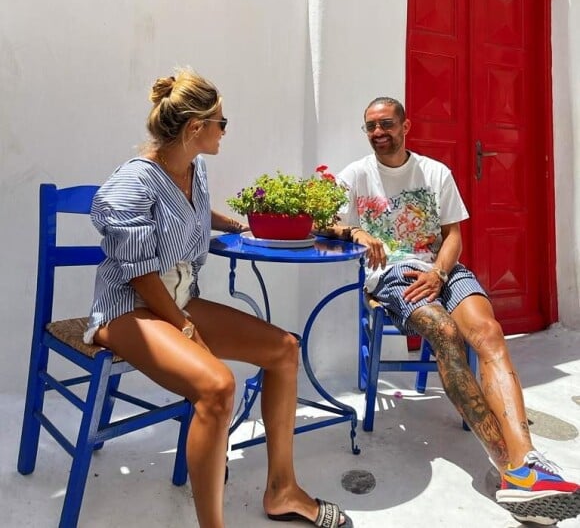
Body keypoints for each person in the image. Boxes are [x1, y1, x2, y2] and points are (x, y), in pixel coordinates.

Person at [83, 68, 353, 528]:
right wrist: (186, 329)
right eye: (221, 123)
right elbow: (142, 278)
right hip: (129, 308)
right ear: (195, 128)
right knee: (217, 385)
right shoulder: (131, 185)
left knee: (284, 349)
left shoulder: (194, 168)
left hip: (179, 301)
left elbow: (191, 210)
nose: (225, 132)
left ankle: (283, 489)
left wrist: (233, 224)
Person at [325, 96, 580, 526]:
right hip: (393, 275)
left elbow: (452, 235)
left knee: (488, 334)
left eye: (386, 124)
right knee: (444, 332)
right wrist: (355, 229)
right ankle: (512, 470)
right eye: (370, 126)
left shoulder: (434, 173)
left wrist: (440, 274)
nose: (377, 133)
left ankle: (526, 458)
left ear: (407, 126)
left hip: (443, 270)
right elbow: (326, 222)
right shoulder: (356, 175)